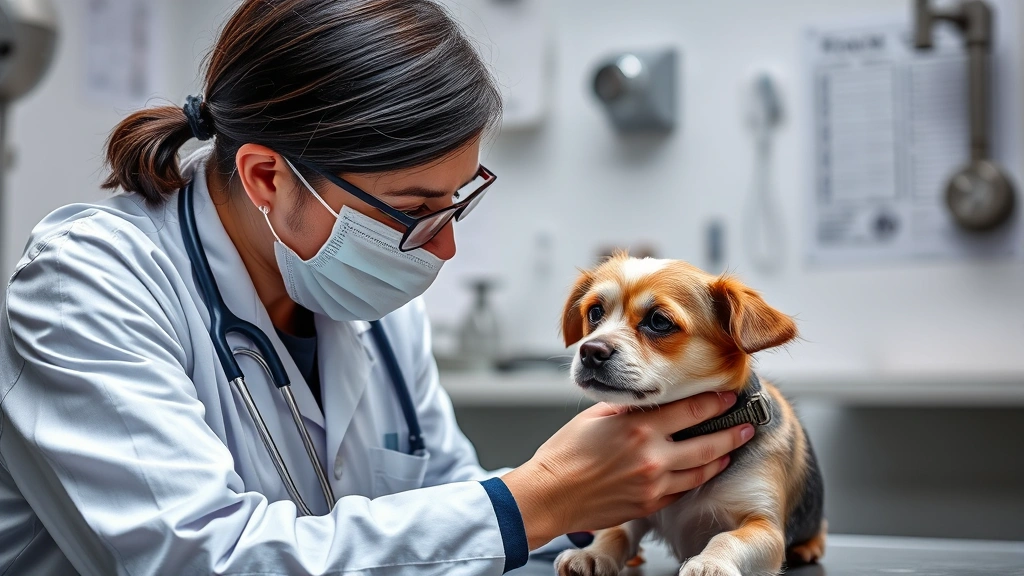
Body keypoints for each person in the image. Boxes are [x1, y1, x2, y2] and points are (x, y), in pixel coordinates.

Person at [0, 1, 753, 574]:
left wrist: (620, 494)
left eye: (456, 204)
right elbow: (200, 556)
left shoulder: (371, 300)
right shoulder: (90, 282)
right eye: (418, 210)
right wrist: (542, 497)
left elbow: (446, 500)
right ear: (268, 176)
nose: (445, 247)